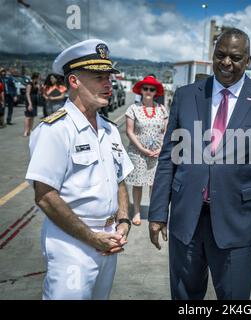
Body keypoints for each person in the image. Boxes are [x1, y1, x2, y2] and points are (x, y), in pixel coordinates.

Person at [148, 28, 251, 300]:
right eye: (220, 55)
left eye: (235, 57)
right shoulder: (187, 96)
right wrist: (158, 212)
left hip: (238, 225)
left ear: (248, 60)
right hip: (186, 220)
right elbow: (168, 158)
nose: (226, 63)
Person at [25, 39, 134, 300]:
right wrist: (90, 237)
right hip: (71, 243)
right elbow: (45, 196)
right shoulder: (55, 130)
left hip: (109, 241)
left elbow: (119, 180)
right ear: (74, 82)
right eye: (99, 77)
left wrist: (123, 221)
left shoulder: (108, 129)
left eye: (109, 77)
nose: (108, 84)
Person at [125, 76, 168, 226]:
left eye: (152, 89)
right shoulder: (133, 109)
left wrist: (161, 148)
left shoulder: (162, 109)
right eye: (146, 88)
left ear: (156, 92)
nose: (148, 91)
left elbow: (166, 131)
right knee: (138, 183)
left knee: (154, 184)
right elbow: (129, 132)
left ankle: (153, 211)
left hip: (157, 154)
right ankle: (136, 211)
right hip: (138, 152)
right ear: (141, 90)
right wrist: (142, 149)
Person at [23, 72, 40, 137]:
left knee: (32, 116)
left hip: (35, 101)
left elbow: (38, 93)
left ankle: (30, 130)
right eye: (38, 77)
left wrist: (38, 87)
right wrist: (30, 103)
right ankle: (26, 131)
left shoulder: (36, 84)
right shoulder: (29, 84)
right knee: (28, 116)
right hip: (30, 101)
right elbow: (27, 94)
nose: (39, 78)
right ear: (36, 77)